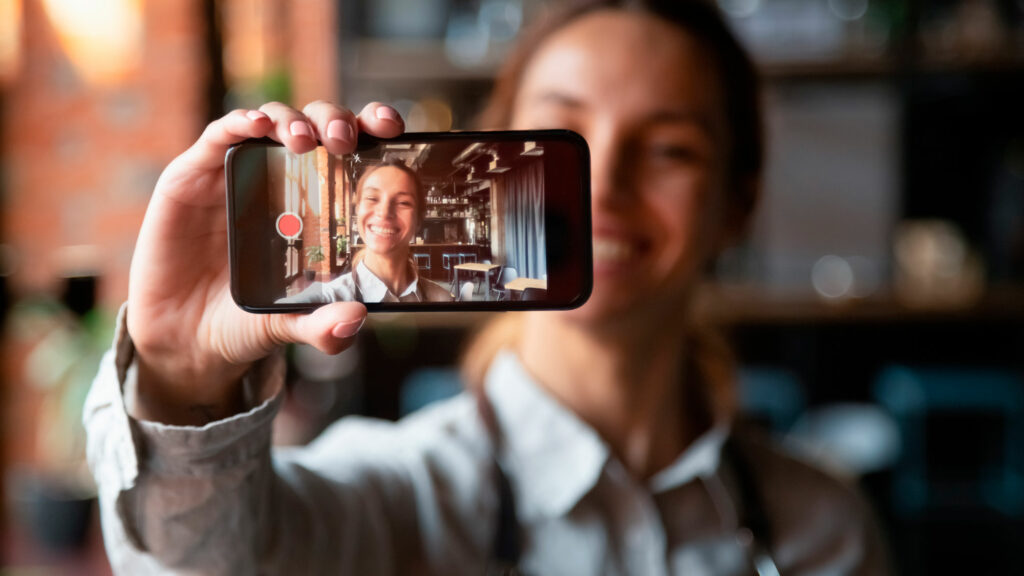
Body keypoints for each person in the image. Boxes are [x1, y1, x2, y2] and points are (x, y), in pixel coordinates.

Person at [84, 1, 888, 574]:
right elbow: (211, 561)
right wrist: (181, 374)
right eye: (567, 133)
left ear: (736, 204)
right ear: (494, 145)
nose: (602, 185)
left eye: (669, 149)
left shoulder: (825, 531)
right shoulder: (397, 493)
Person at [279, 161, 453, 304]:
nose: (384, 212)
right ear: (358, 210)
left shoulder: (442, 300)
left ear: (418, 220)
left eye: (403, 202)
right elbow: (274, 318)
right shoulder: (330, 299)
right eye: (372, 198)